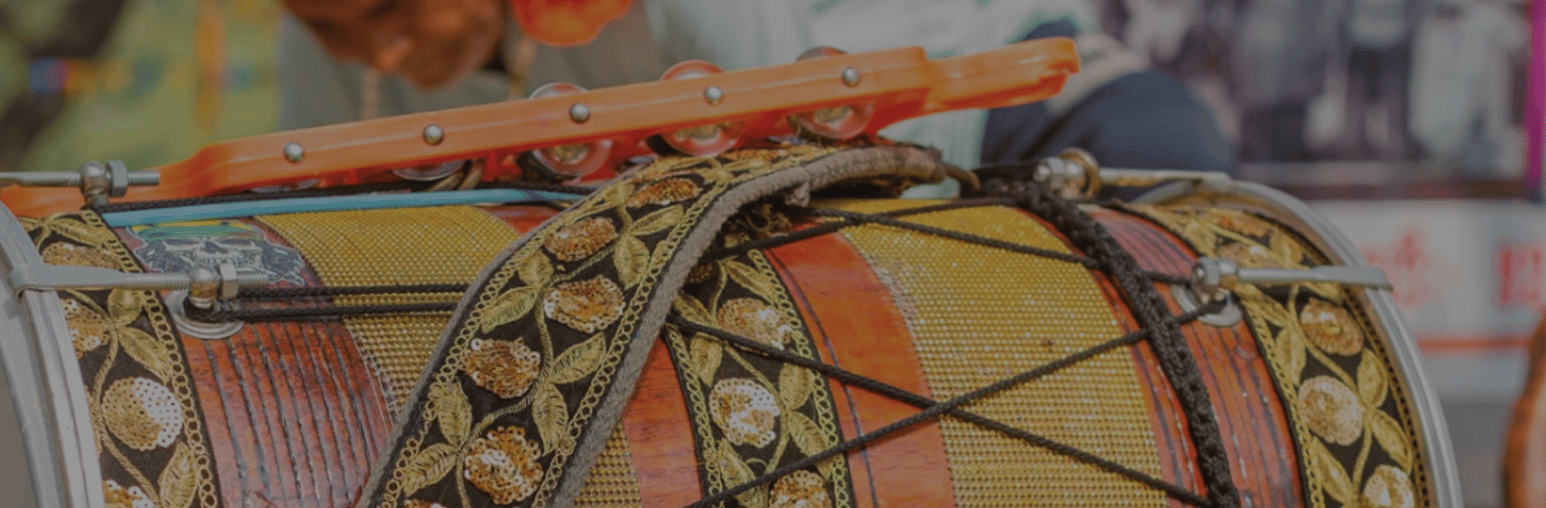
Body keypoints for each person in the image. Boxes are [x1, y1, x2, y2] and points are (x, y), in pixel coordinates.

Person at [277, 0, 1236, 174]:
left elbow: (789, 164)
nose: (381, 52)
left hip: (1005, 122)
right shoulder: (319, 43)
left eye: (395, 7)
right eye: (333, 28)